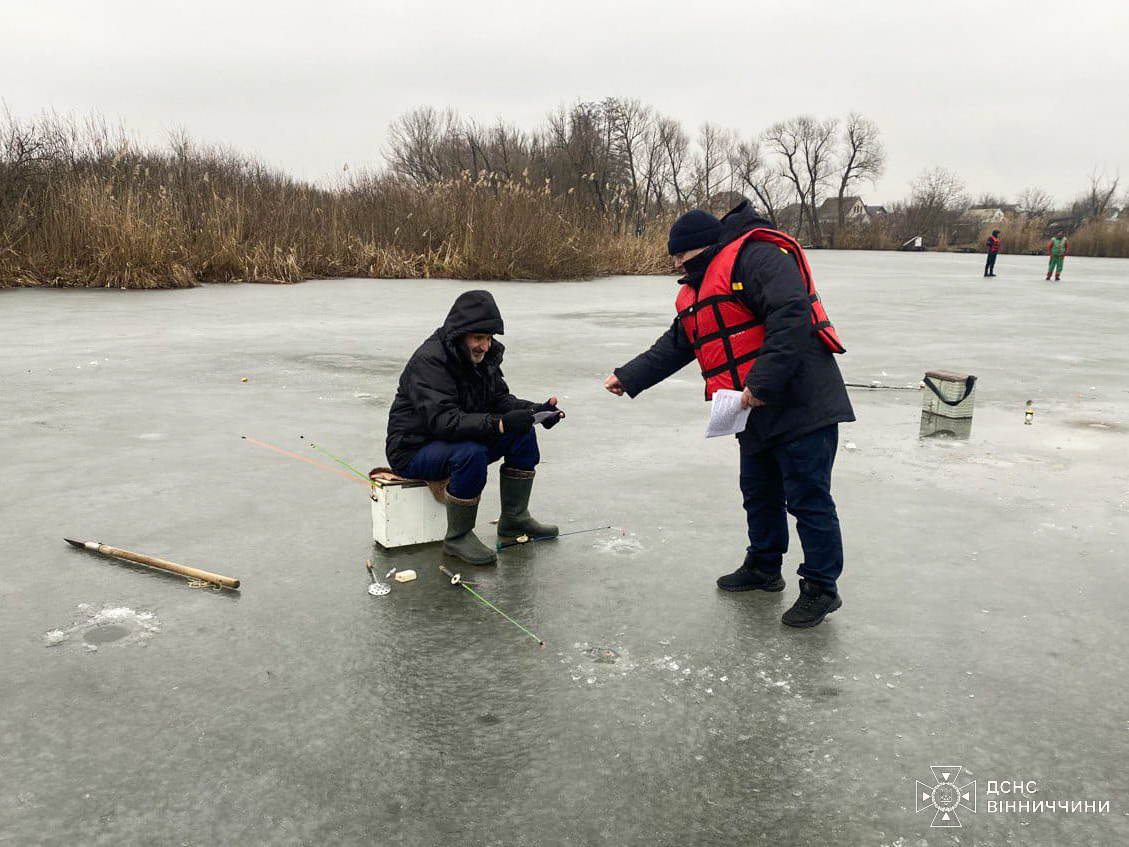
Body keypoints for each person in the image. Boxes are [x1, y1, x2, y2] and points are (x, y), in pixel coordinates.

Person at [604, 200, 855, 628]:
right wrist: (629, 377)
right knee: (758, 492)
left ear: (702, 248)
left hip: (800, 402)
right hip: (751, 410)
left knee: (808, 499)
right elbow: (677, 344)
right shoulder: (697, 289)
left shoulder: (755, 257)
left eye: (681, 257)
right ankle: (763, 566)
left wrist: (761, 383)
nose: (678, 265)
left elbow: (792, 316)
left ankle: (820, 586)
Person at [385, 290, 563, 565]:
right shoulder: (430, 361)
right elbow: (445, 422)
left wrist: (534, 410)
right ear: (460, 334)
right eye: (478, 338)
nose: (485, 345)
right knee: (471, 452)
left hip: (454, 439)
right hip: (412, 449)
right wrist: (500, 423)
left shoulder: (483, 358)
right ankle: (458, 537)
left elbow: (500, 399)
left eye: (489, 338)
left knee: (523, 433)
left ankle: (514, 521)